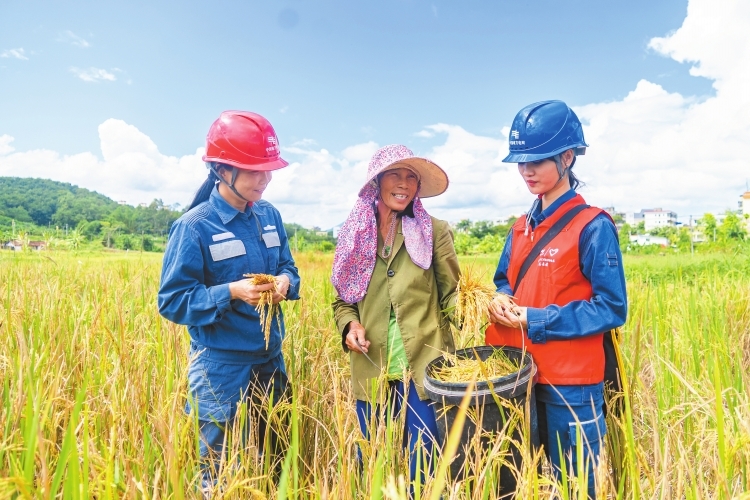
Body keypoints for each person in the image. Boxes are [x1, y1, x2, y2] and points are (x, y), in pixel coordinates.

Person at [485, 100, 627, 498]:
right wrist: (500, 298)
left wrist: (533, 318)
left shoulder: (593, 226)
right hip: (516, 378)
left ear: (567, 157)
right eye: (520, 161)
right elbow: (503, 280)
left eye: (538, 159)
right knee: (518, 484)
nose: (527, 170)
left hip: (571, 386)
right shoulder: (519, 228)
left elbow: (612, 307)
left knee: (578, 488)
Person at [158, 110, 300, 488]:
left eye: (268, 170)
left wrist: (285, 282)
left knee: (277, 454)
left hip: (270, 360)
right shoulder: (193, 227)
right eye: (254, 170)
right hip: (220, 367)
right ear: (222, 170)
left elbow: (290, 268)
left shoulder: (269, 216)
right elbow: (172, 301)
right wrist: (231, 291)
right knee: (217, 467)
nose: (265, 179)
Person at [331, 144, 459, 486]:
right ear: (377, 181)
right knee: (370, 462)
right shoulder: (356, 235)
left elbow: (453, 295)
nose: (403, 184)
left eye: (411, 177)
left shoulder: (434, 231)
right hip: (372, 363)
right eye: (394, 175)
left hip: (424, 366)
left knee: (425, 462)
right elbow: (343, 301)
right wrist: (350, 324)